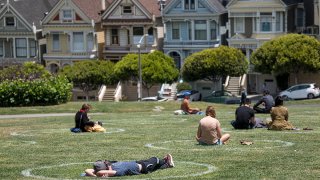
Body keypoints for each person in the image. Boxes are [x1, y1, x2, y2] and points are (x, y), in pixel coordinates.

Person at [84, 154, 174, 177]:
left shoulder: (111, 166)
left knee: (157, 167)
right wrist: (98, 174)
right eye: (105, 163)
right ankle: (166, 162)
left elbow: (87, 170)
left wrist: (94, 174)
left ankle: (167, 164)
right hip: (143, 168)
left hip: (138, 162)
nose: (106, 162)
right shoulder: (116, 171)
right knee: (155, 159)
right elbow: (99, 173)